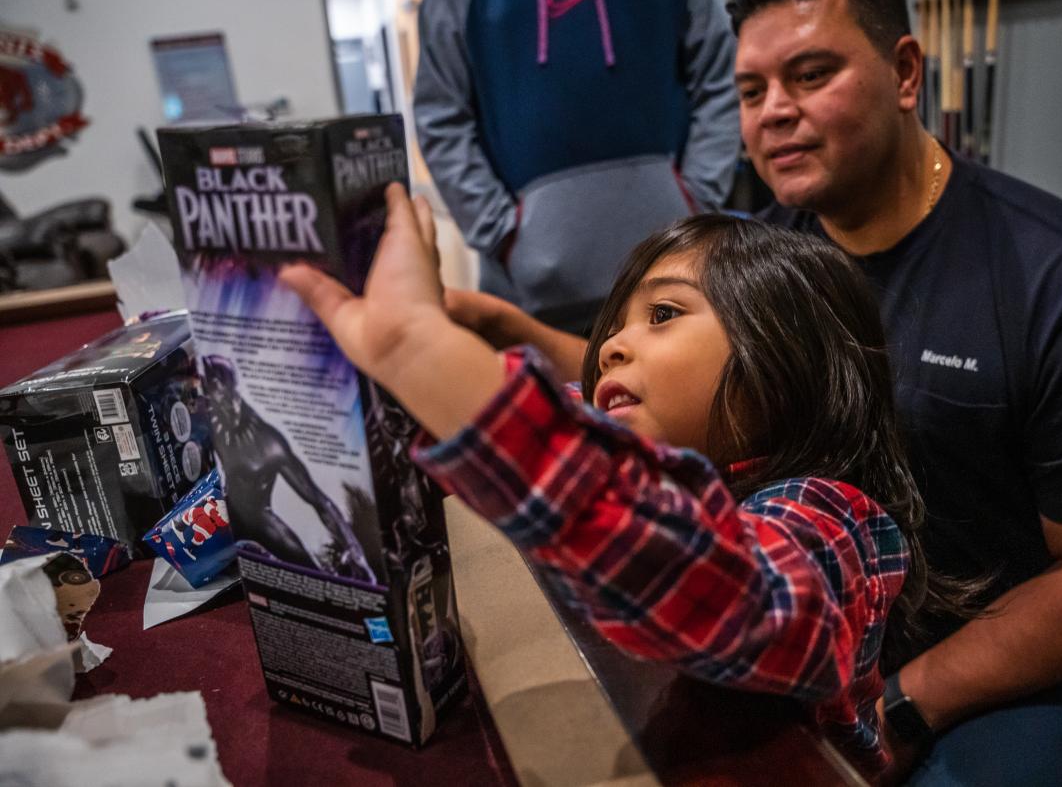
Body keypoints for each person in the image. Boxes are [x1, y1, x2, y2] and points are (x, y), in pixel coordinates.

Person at [447, 0, 1062, 784]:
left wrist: (913, 699)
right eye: (752, 91)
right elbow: (646, 375)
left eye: (809, 75)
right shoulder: (766, 255)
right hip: (813, 613)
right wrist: (500, 332)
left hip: (1008, 650)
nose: (774, 113)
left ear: (906, 73)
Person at [281, 183, 968, 780]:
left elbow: (726, 585)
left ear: (783, 363)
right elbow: (568, 434)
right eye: (616, 323)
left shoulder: (832, 521)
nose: (609, 343)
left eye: (663, 314)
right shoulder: (674, 448)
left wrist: (425, 354)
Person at [413, 0, 740, 335]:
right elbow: (441, 115)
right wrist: (503, 234)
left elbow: (721, 80)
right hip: (529, 302)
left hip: (675, 280)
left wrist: (697, 200)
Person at [201, 354, 377, 583]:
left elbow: (318, 500)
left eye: (215, 387)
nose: (211, 393)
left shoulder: (269, 443)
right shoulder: (211, 414)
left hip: (260, 517)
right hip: (230, 510)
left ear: (230, 389)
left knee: (312, 574)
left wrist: (354, 551)